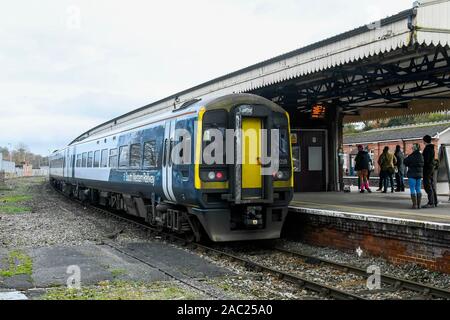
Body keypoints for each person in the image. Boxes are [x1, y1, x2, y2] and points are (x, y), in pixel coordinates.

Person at [404, 144, 424, 209]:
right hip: (419, 175)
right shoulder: (421, 156)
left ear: (414, 149)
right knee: (418, 188)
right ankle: (419, 205)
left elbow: (405, 162)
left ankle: (414, 205)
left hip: (412, 174)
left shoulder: (411, 156)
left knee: (412, 189)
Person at [422, 135, 438, 208]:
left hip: (427, 169)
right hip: (431, 168)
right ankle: (435, 201)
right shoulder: (432, 148)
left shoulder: (427, 149)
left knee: (427, 185)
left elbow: (426, 160)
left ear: (424, 141)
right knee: (431, 184)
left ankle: (431, 202)